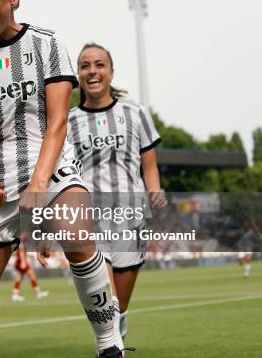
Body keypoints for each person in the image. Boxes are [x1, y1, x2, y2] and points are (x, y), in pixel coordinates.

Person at [0, 0, 122, 357]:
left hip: (52, 167)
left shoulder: (48, 44)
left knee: (76, 233)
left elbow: (58, 121)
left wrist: (40, 187)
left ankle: (110, 342)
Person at [67, 43, 165, 349]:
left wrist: (154, 190)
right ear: (78, 74)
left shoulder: (135, 113)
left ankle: (116, 343)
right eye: (85, 65)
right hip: (90, 220)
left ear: (110, 71)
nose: (92, 71)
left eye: (99, 64)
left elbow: (148, 160)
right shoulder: (67, 121)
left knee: (119, 304)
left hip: (130, 218)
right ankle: (110, 349)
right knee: (106, 298)